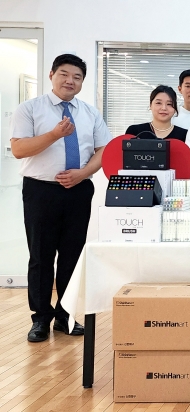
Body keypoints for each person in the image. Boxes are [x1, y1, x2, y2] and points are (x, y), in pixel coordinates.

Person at [10, 54, 112, 342]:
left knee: (72, 256)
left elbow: (104, 150)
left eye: (77, 77)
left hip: (78, 189)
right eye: (64, 74)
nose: (70, 81)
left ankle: (65, 317)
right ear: (52, 75)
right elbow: (19, 149)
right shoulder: (30, 109)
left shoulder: (90, 113)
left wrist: (83, 174)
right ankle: (40, 319)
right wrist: (55, 134)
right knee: (41, 256)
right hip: (41, 190)